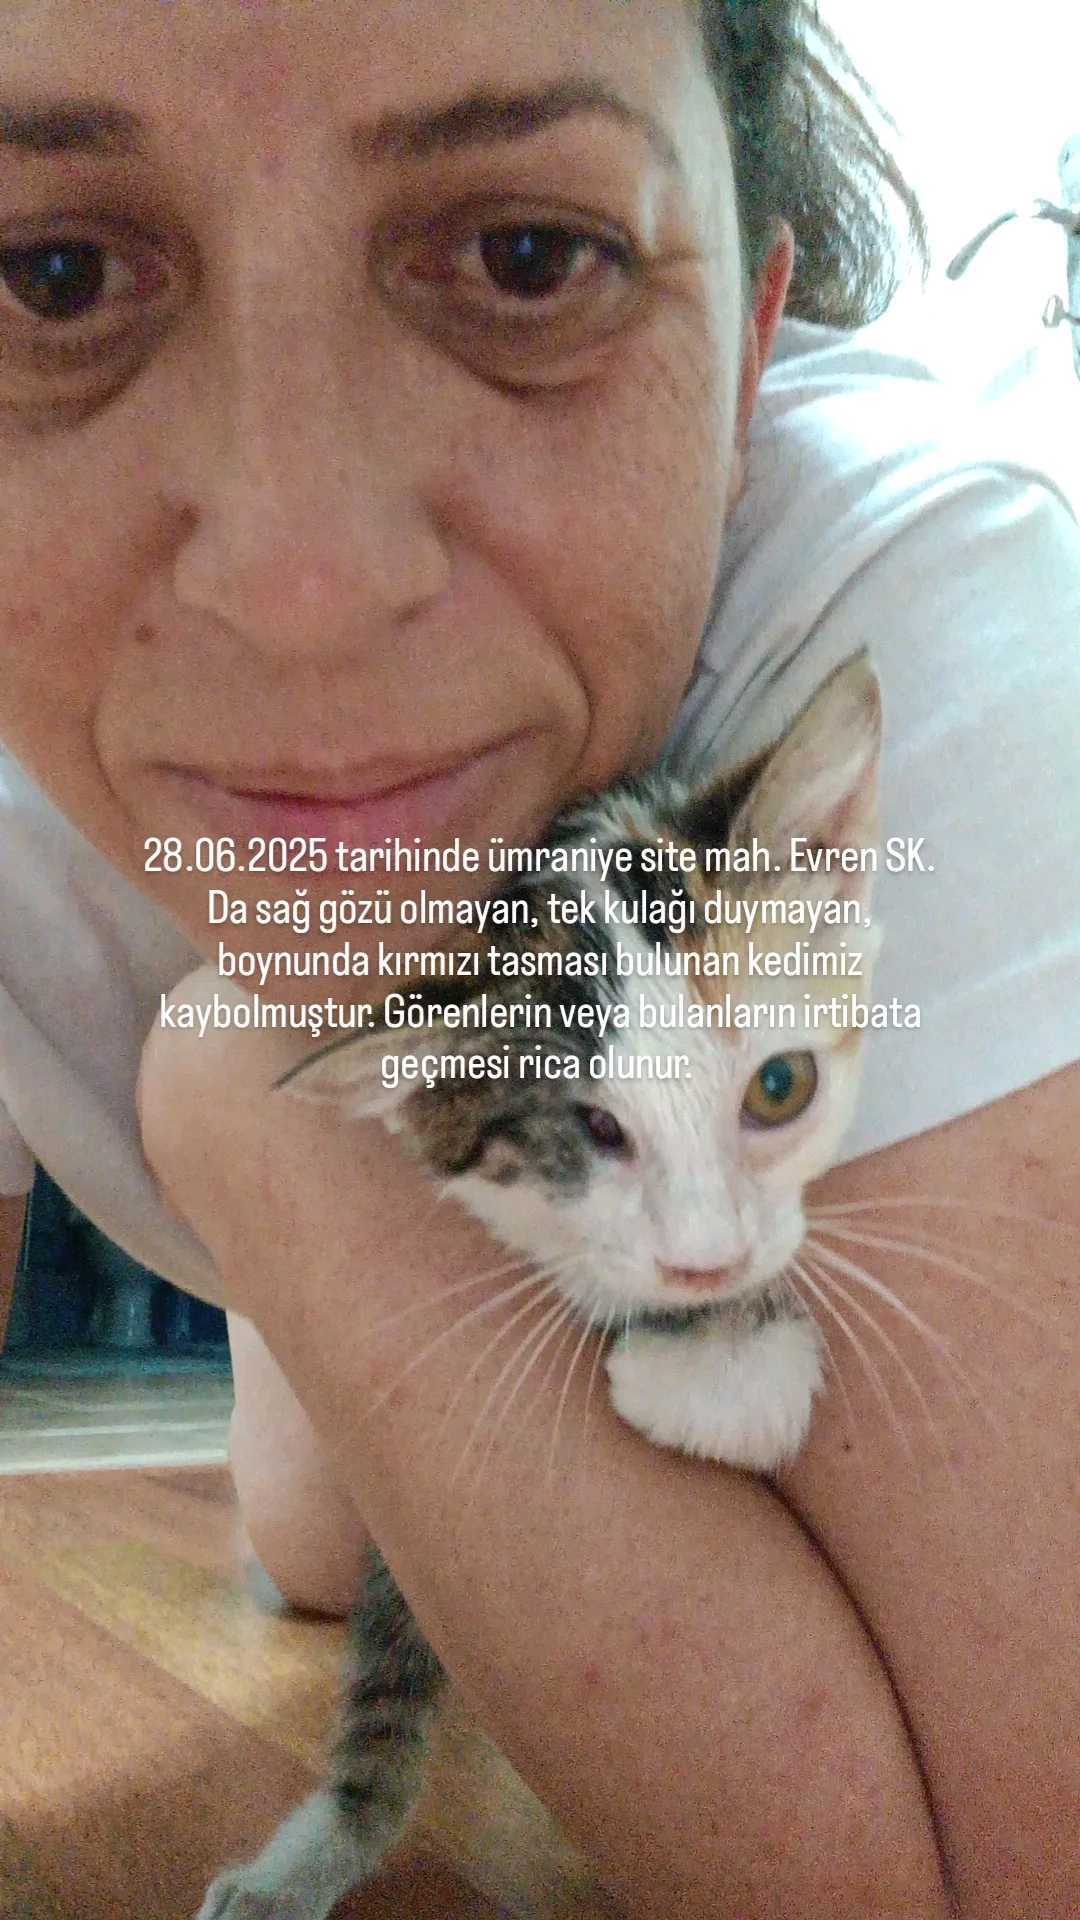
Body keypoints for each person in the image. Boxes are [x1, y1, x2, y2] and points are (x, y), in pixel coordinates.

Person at [1, 2, 1077, 1915]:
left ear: (751, 346)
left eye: (525, 256)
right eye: (49, 276)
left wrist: (239, 1086)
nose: (306, 589)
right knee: (312, 1544)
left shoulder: (911, 604)